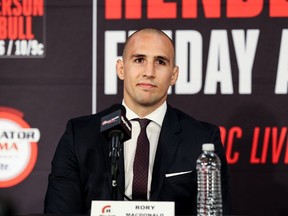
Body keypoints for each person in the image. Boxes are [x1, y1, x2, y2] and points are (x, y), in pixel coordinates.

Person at [44, 28, 230, 215]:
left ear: (173, 75)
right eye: (139, 60)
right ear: (121, 69)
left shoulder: (201, 139)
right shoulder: (79, 136)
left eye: (160, 61)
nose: (149, 72)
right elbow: (59, 210)